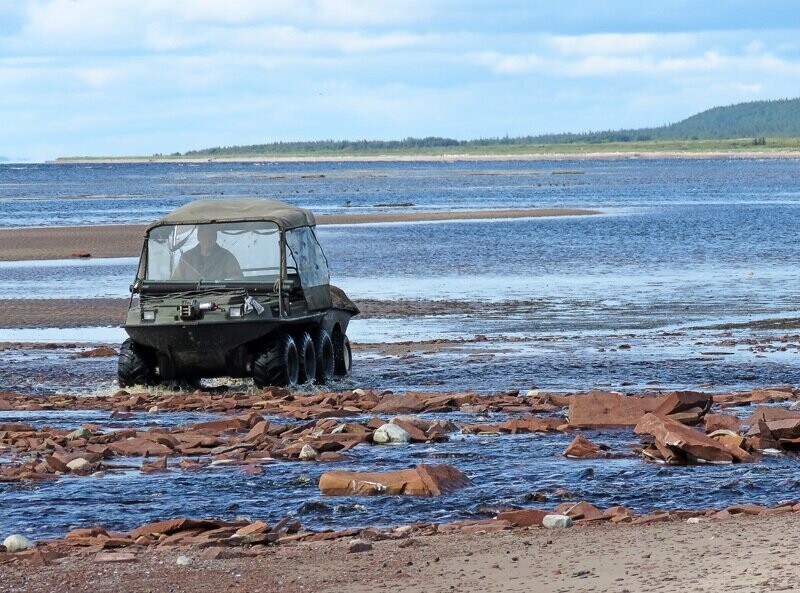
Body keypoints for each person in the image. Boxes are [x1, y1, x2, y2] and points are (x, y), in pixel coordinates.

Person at [172, 226, 243, 280]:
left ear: (216, 237)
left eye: (210, 235)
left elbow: (237, 279)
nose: (207, 239)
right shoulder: (187, 257)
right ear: (198, 237)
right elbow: (176, 280)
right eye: (203, 236)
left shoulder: (227, 257)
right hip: (190, 297)